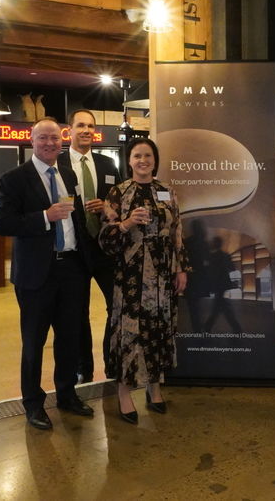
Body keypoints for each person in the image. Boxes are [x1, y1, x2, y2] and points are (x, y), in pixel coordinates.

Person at [0, 117, 95, 431]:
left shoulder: (67, 173)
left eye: (55, 138)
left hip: (71, 269)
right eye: (43, 139)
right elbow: (3, 224)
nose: (50, 143)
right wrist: (44, 216)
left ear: (62, 140)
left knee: (69, 338)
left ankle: (66, 395)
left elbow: (74, 218)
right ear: (32, 141)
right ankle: (33, 404)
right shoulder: (14, 179)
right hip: (36, 274)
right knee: (34, 342)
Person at [100, 137, 189, 424]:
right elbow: (105, 240)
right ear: (129, 161)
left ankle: (154, 387)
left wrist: (181, 269)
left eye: (148, 156)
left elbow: (177, 232)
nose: (143, 161)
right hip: (130, 277)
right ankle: (124, 392)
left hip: (162, 275)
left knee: (158, 330)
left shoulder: (167, 191)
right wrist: (125, 224)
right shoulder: (118, 193)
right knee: (129, 332)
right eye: (137, 156)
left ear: (155, 160)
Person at [58, 109, 121, 382]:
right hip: (75, 250)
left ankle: (112, 362)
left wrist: (107, 206)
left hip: (105, 247)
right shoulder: (57, 164)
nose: (86, 130)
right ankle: (85, 368)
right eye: (80, 125)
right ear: (69, 130)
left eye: (90, 126)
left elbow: (121, 203)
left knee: (116, 305)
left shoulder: (108, 165)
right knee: (77, 312)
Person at [202, 236, 240, 333]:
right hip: (224, 284)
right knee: (221, 305)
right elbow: (232, 268)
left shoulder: (211, 256)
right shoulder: (225, 255)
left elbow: (208, 271)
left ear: (215, 244)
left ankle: (208, 326)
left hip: (217, 284)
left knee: (219, 306)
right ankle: (236, 327)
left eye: (213, 242)